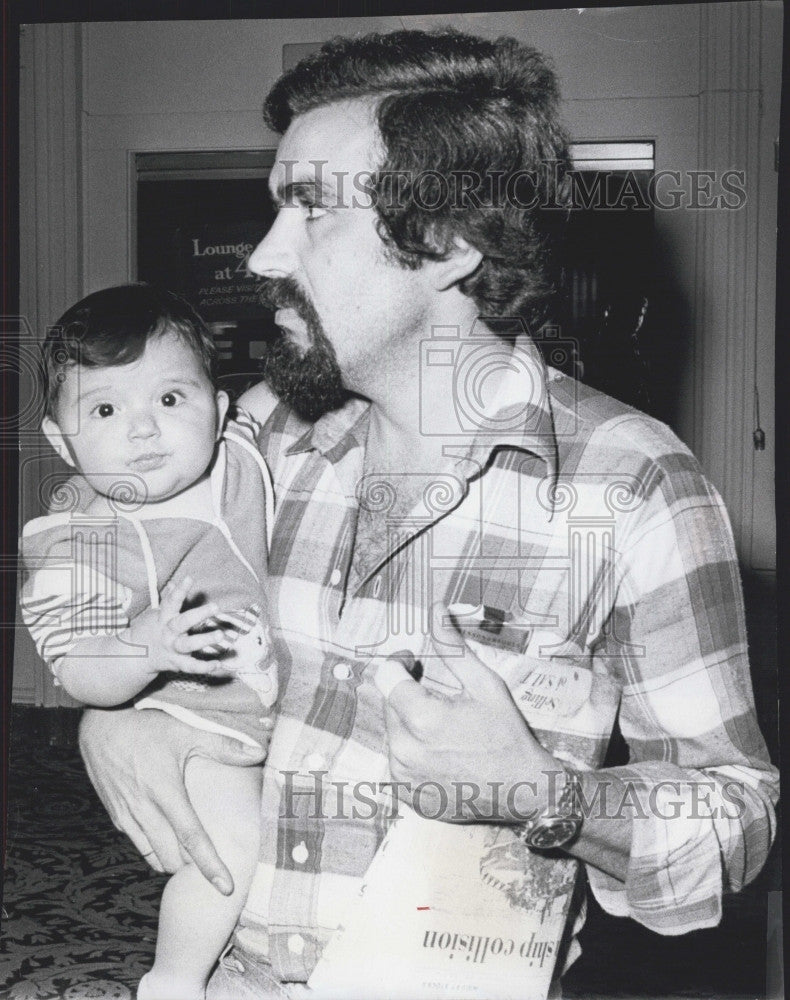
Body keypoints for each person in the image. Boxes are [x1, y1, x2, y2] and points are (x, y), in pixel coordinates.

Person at [77, 29, 779, 999]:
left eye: (309, 209)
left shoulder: (632, 483)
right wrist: (118, 716)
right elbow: (164, 626)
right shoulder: (264, 436)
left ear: (448, 241)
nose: (265, 254)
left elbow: (735, 825)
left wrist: (545, 794)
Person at [20, 284, 278, 1000]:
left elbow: (273, 394)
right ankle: (173, 979)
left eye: (171, 400)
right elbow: (79, 672)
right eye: (105, 410)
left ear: (218, 411)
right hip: (195, 722)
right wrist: (142, 648)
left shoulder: (238, 460)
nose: (143, 430)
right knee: (232, 851)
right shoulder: (80, 544)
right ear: (61, 441)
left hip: (288, 707)